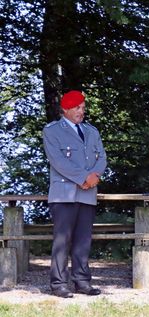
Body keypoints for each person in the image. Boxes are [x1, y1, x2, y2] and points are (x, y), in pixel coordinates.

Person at [42, 90, 107, 298]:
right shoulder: (52, 131)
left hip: (87, 194)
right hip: (64, 194)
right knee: (62, 240)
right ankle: (59, 284)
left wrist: (95, 176)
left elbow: (102, 157)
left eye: (83, 107)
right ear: (66, 109)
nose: (82, 111)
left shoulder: (91, 131)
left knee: (83, 240)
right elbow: (58, 161)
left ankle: (82, 281)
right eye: (77, 108)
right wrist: (83, 178)